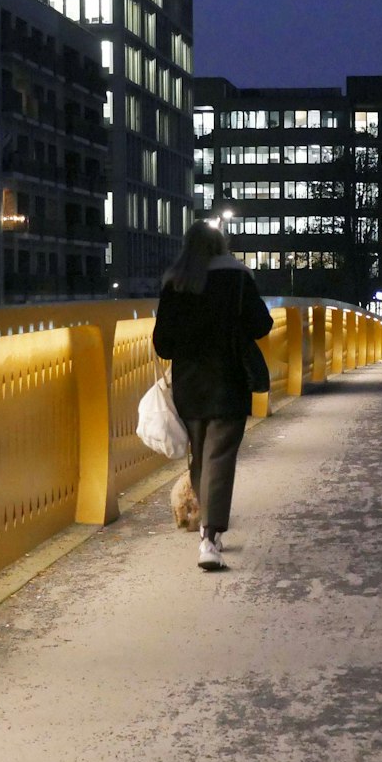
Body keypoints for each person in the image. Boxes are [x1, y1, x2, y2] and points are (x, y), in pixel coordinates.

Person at [152, 222, 273, 570]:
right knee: (219, 458)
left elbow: (163, 343)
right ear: (221, 246)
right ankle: (209, 535)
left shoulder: (176, 283)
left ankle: (208, 528)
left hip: (189, 385)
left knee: (200, 458)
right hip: (229, 380)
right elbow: (261, 325)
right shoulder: (237, 279)